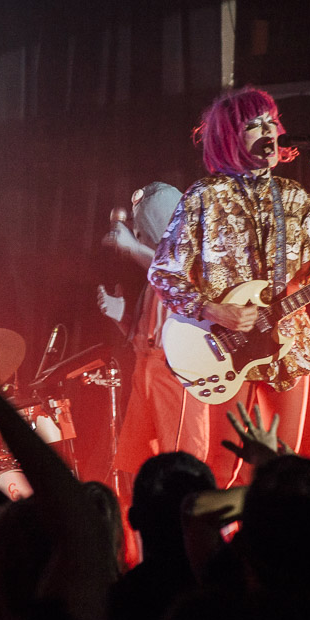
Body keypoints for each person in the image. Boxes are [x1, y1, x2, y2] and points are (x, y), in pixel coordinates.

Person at [149, 86, 310, 486]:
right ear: (231, 136)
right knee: (229, 466)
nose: (268, 130)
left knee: (284, 469)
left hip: (289, 343)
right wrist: (216, 310)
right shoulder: (204, 197)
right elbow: (163, 274)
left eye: (271, 122)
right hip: (228, 345)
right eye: (253, 125)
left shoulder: (295, 197)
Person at [97, 182, 209, 487]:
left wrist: (134, 249)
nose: (138, 237)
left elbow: (177, 279)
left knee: (179, 472)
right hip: (146, 369)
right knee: (137, 469)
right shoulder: (154, 276)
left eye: (144, 229)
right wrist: (122, 316)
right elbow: (144, 334)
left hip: (176, 372)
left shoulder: (190, 263)